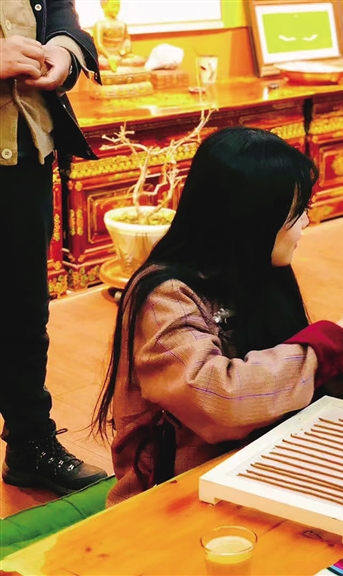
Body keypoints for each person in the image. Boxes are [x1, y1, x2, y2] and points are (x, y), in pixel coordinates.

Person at [93, 127, 343, 506]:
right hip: (177, 493)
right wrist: (327, 349)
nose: (306, 223)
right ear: (252, 218)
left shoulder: (264, 271)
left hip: (264, 465)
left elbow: (292, 391)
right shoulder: (164, 295)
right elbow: (218, 401)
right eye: (297, 212)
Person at [1, 0, 108, 494]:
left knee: (24, 313)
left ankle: (30, 445)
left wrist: (64, 51)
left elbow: (61, 10)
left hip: (26, 153)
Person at [93, 0, 145, 72]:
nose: (116, 9)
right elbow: (98, 45)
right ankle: (115, 63)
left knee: (140, 60)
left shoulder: (122, 24)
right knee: (101, 63)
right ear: (104, 6)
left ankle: (116, 63)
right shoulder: (100, 24)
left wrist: (126, 48)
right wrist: (109, 56)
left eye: (118, 6)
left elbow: (127, 39)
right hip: (106, 56)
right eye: (114, 6)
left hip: (121, 55)